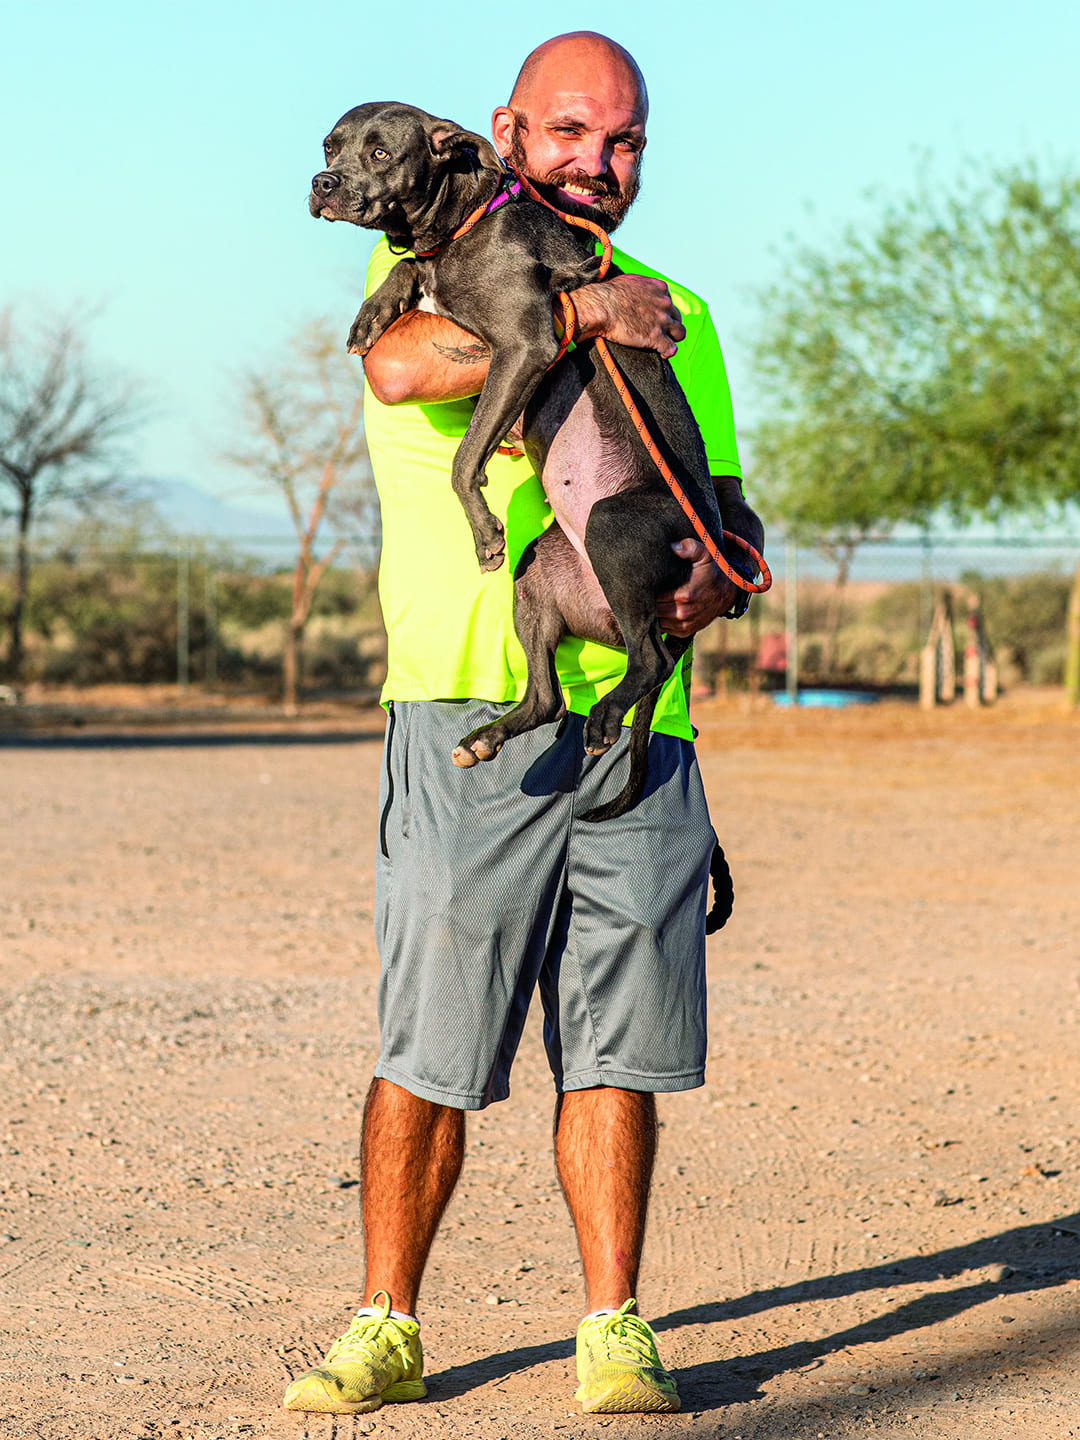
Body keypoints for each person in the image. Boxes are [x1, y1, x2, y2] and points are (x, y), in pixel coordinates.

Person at [284, 30, 764, 1419]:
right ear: (503, 135)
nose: (596, 165)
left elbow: (707, 484)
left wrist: (727, 561)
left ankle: (613, 1326)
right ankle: (389, 1323)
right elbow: (406, 371)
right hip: (458, 704)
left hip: (640, 717)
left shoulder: (676, 304)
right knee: (431, 1043)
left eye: (621, 144)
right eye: (569, 135)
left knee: (619, 1046)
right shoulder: (425, 251)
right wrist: (582, 316)